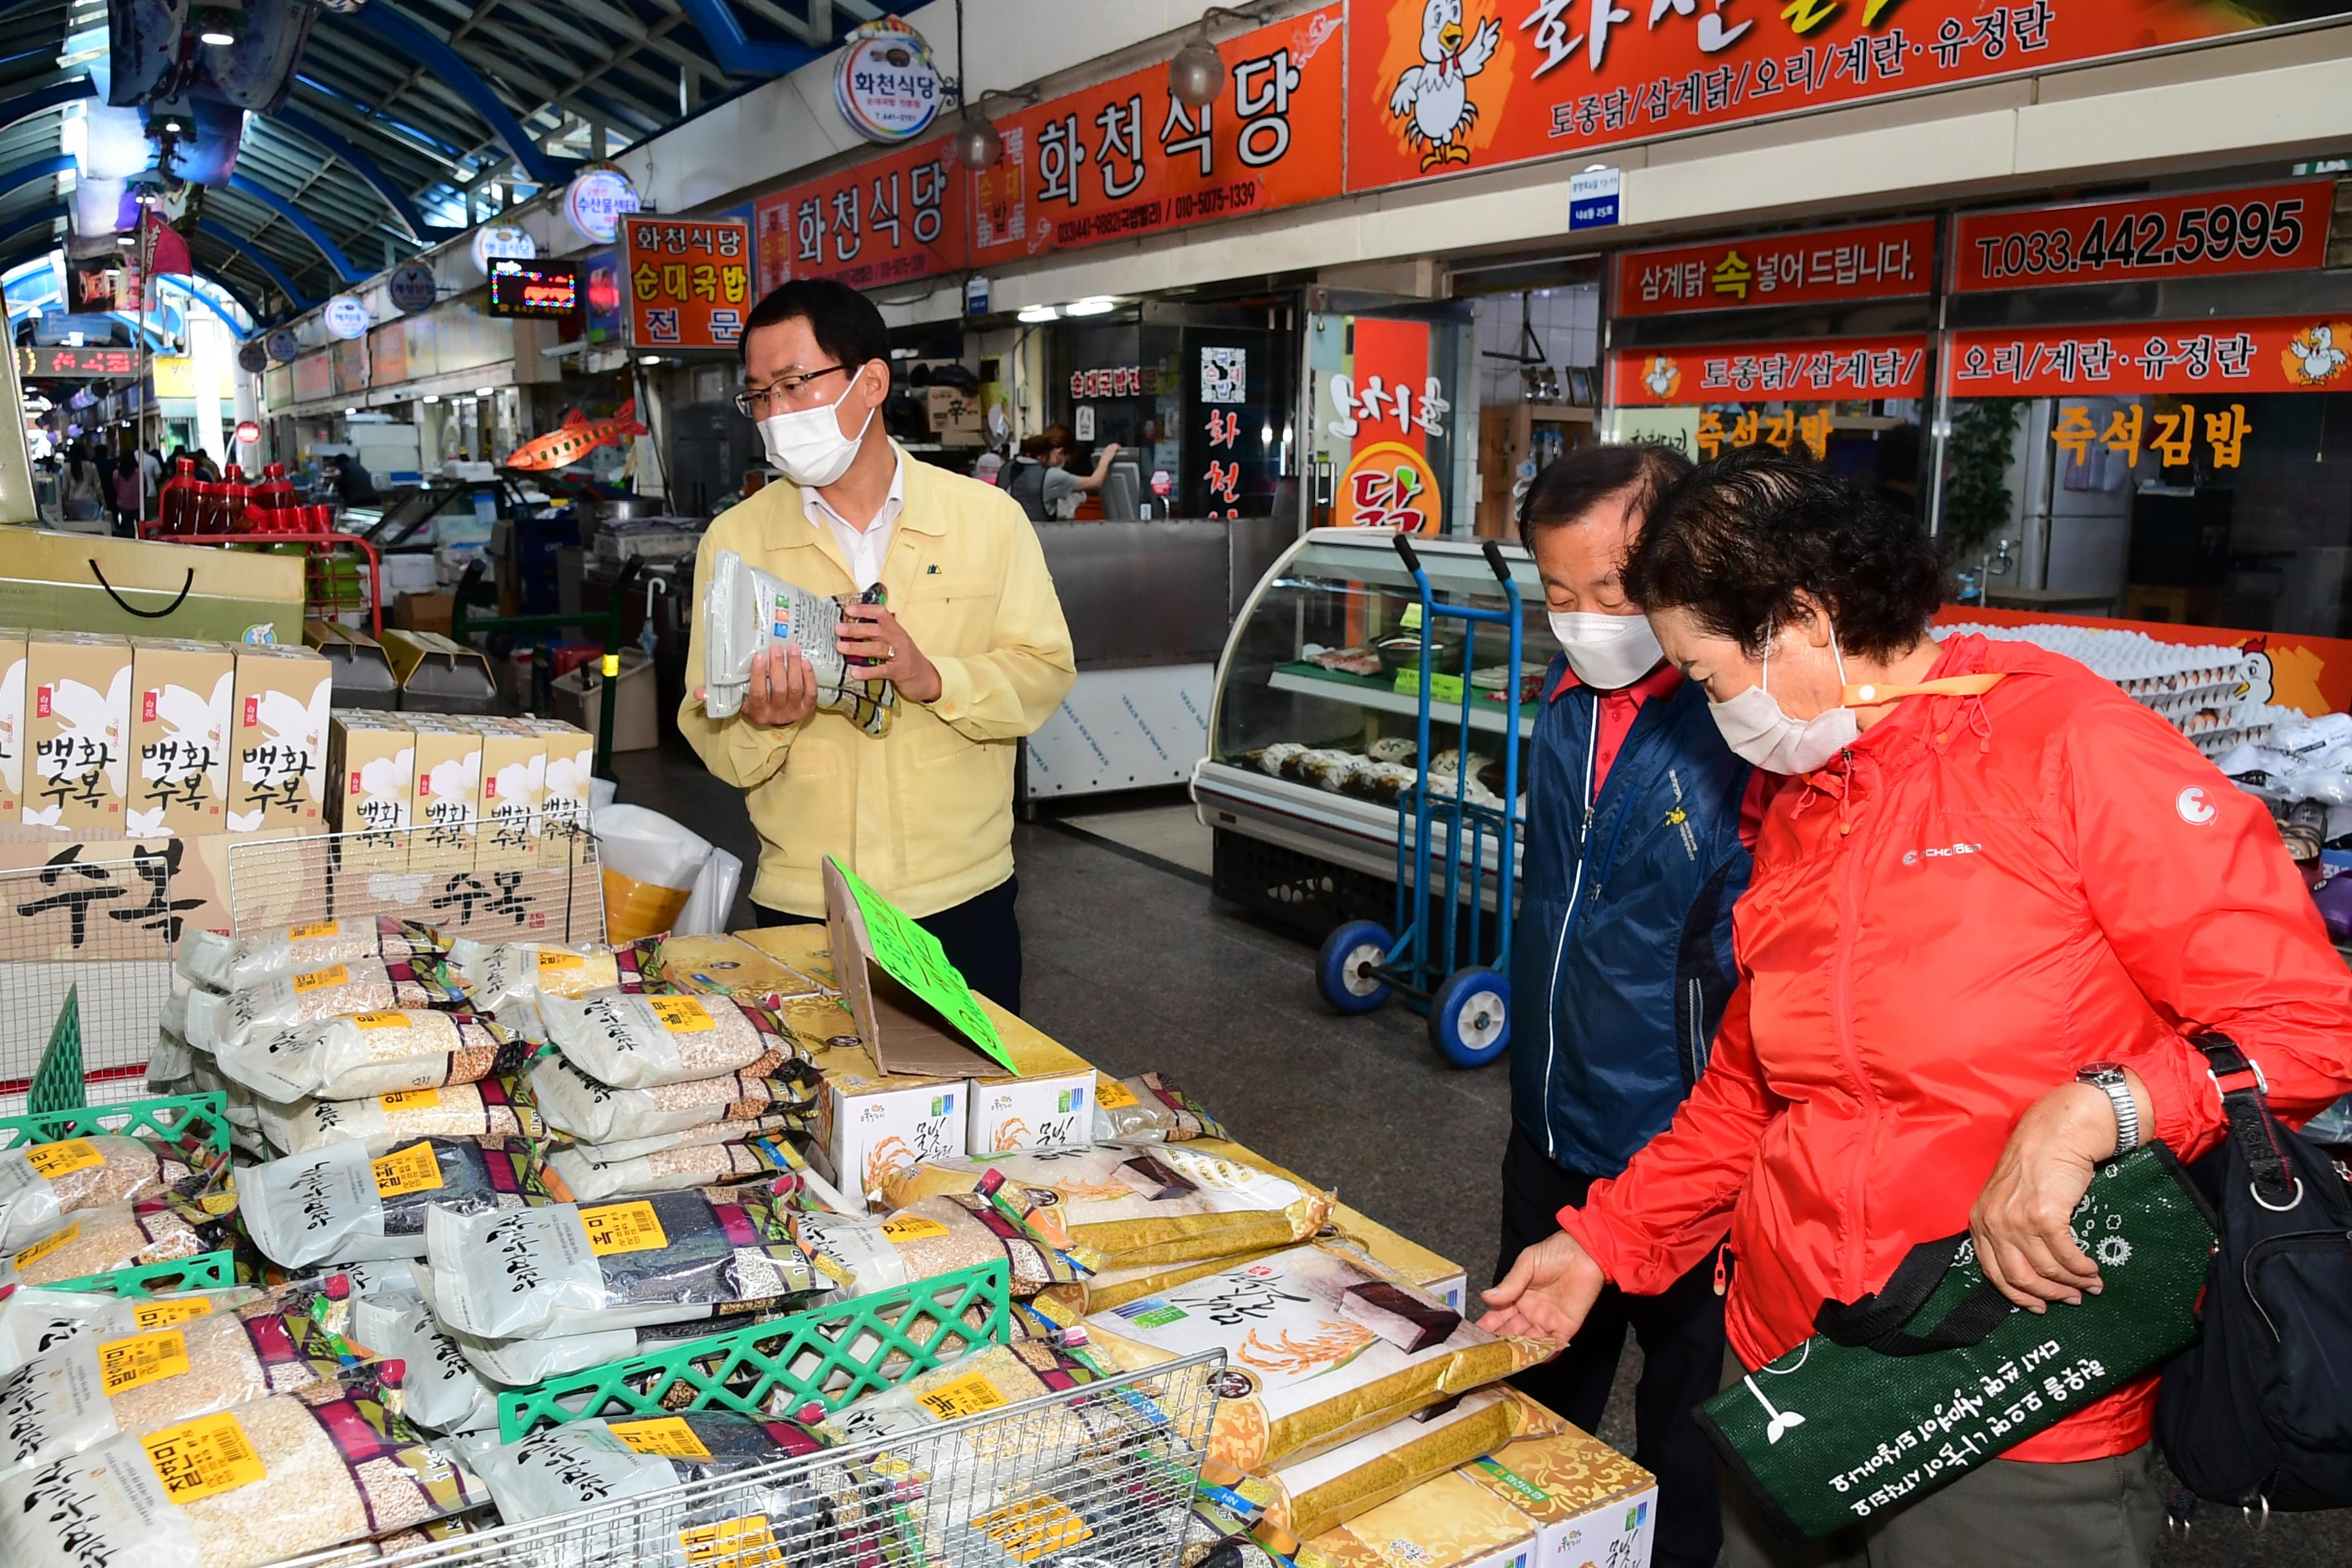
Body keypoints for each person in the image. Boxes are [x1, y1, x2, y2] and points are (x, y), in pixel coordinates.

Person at [1480, 449, 2352, 1567]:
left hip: (2010, 1389)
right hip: (1796, 1365)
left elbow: (2308, 1019)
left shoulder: (2063, 747)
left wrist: (2103, 1110)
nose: (1707, 708)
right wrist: (1604, 1243)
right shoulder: (1805, 787)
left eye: (1704, 676)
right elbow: (1754, 1085)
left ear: (1800, 619)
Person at [678, 278, 1074, 1013]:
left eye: (795, 384)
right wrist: (761, 722)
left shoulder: (986, 520)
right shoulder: (737, 541)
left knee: (969, 1113)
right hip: (806, 898)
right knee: (818, 1114)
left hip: (960, 894)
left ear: (872, 381)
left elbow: (1044, 673)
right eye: (759, 396)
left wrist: (934, 677)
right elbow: (706, 720)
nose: (775, 415)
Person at [1500, 444, 1752, 1568]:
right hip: (1551, 1127)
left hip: (1686, 1149)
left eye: (1612, 587)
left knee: (1687, 1436)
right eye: (1559, 592)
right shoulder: (1562, 708)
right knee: (1530, 1398)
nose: (1588, 616)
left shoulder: (1735, 728)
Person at [1037, 426, 1120, 520]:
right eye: (1067, 459)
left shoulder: (1031, 468)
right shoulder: (1053, 476)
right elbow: (1095, 482)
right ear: (1060, 452)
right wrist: (1106, 457)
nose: (1066, 463)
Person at [59, 443, 104, 522]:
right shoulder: (91, 466)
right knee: (93, 528)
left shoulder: (66, 467)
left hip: (74, 502)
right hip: (91, 501)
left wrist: (65, 503)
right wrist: (103, 501)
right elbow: (98, 486)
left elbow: (65, 489)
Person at [109, 453, 142, 535]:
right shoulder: (139, 473)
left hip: (123, 503)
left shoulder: (116, 473)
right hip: (138, 502)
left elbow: (115, 486)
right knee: (140, 525)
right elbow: (144, 487)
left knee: (128, 527)